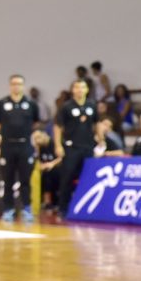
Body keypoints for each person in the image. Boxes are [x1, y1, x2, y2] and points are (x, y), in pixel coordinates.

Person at [0, 74, 40, 222]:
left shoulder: (31, 104)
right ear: (10, 86)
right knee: (8, 179)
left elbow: (36, 123)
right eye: (14, 84)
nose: (16, 86)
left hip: (25, 145)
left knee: (25, 179)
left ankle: (26, 208)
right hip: (7, 145)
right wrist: (6, 133)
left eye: (19, 84)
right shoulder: (1, 104)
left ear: (23, 86)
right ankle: (8, 209)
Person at [54, 79, 98, 218]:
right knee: (67, 178)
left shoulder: (92, 105)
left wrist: (100, 140)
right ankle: (63, 208)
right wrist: (58, 145)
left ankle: (86, 208)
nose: (80, 90)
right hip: (71, 147)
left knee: (88, 178)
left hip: (88, 147)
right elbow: (58, 126)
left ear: (87, 90)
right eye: (77, 87)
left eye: (82, 87)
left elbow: (96, 124)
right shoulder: (66, 106)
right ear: (73, 90)